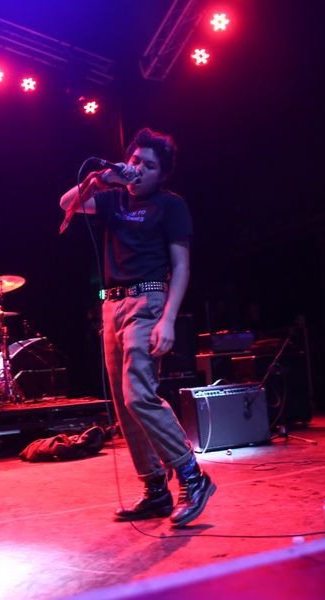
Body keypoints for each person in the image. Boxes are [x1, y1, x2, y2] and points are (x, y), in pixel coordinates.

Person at [59, 127, 215, 527]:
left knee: (138, 395)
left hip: (148, 302)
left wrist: (169, 319)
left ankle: (192, 475)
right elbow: (67, 202)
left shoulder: (170, 205)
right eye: (134, 161)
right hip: (112, 306)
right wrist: (104, 179)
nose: (138, 169)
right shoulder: (112, 199)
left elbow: (181, 266)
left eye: (148, 165)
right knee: (123, 403)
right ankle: (155, 489)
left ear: (161, 174)